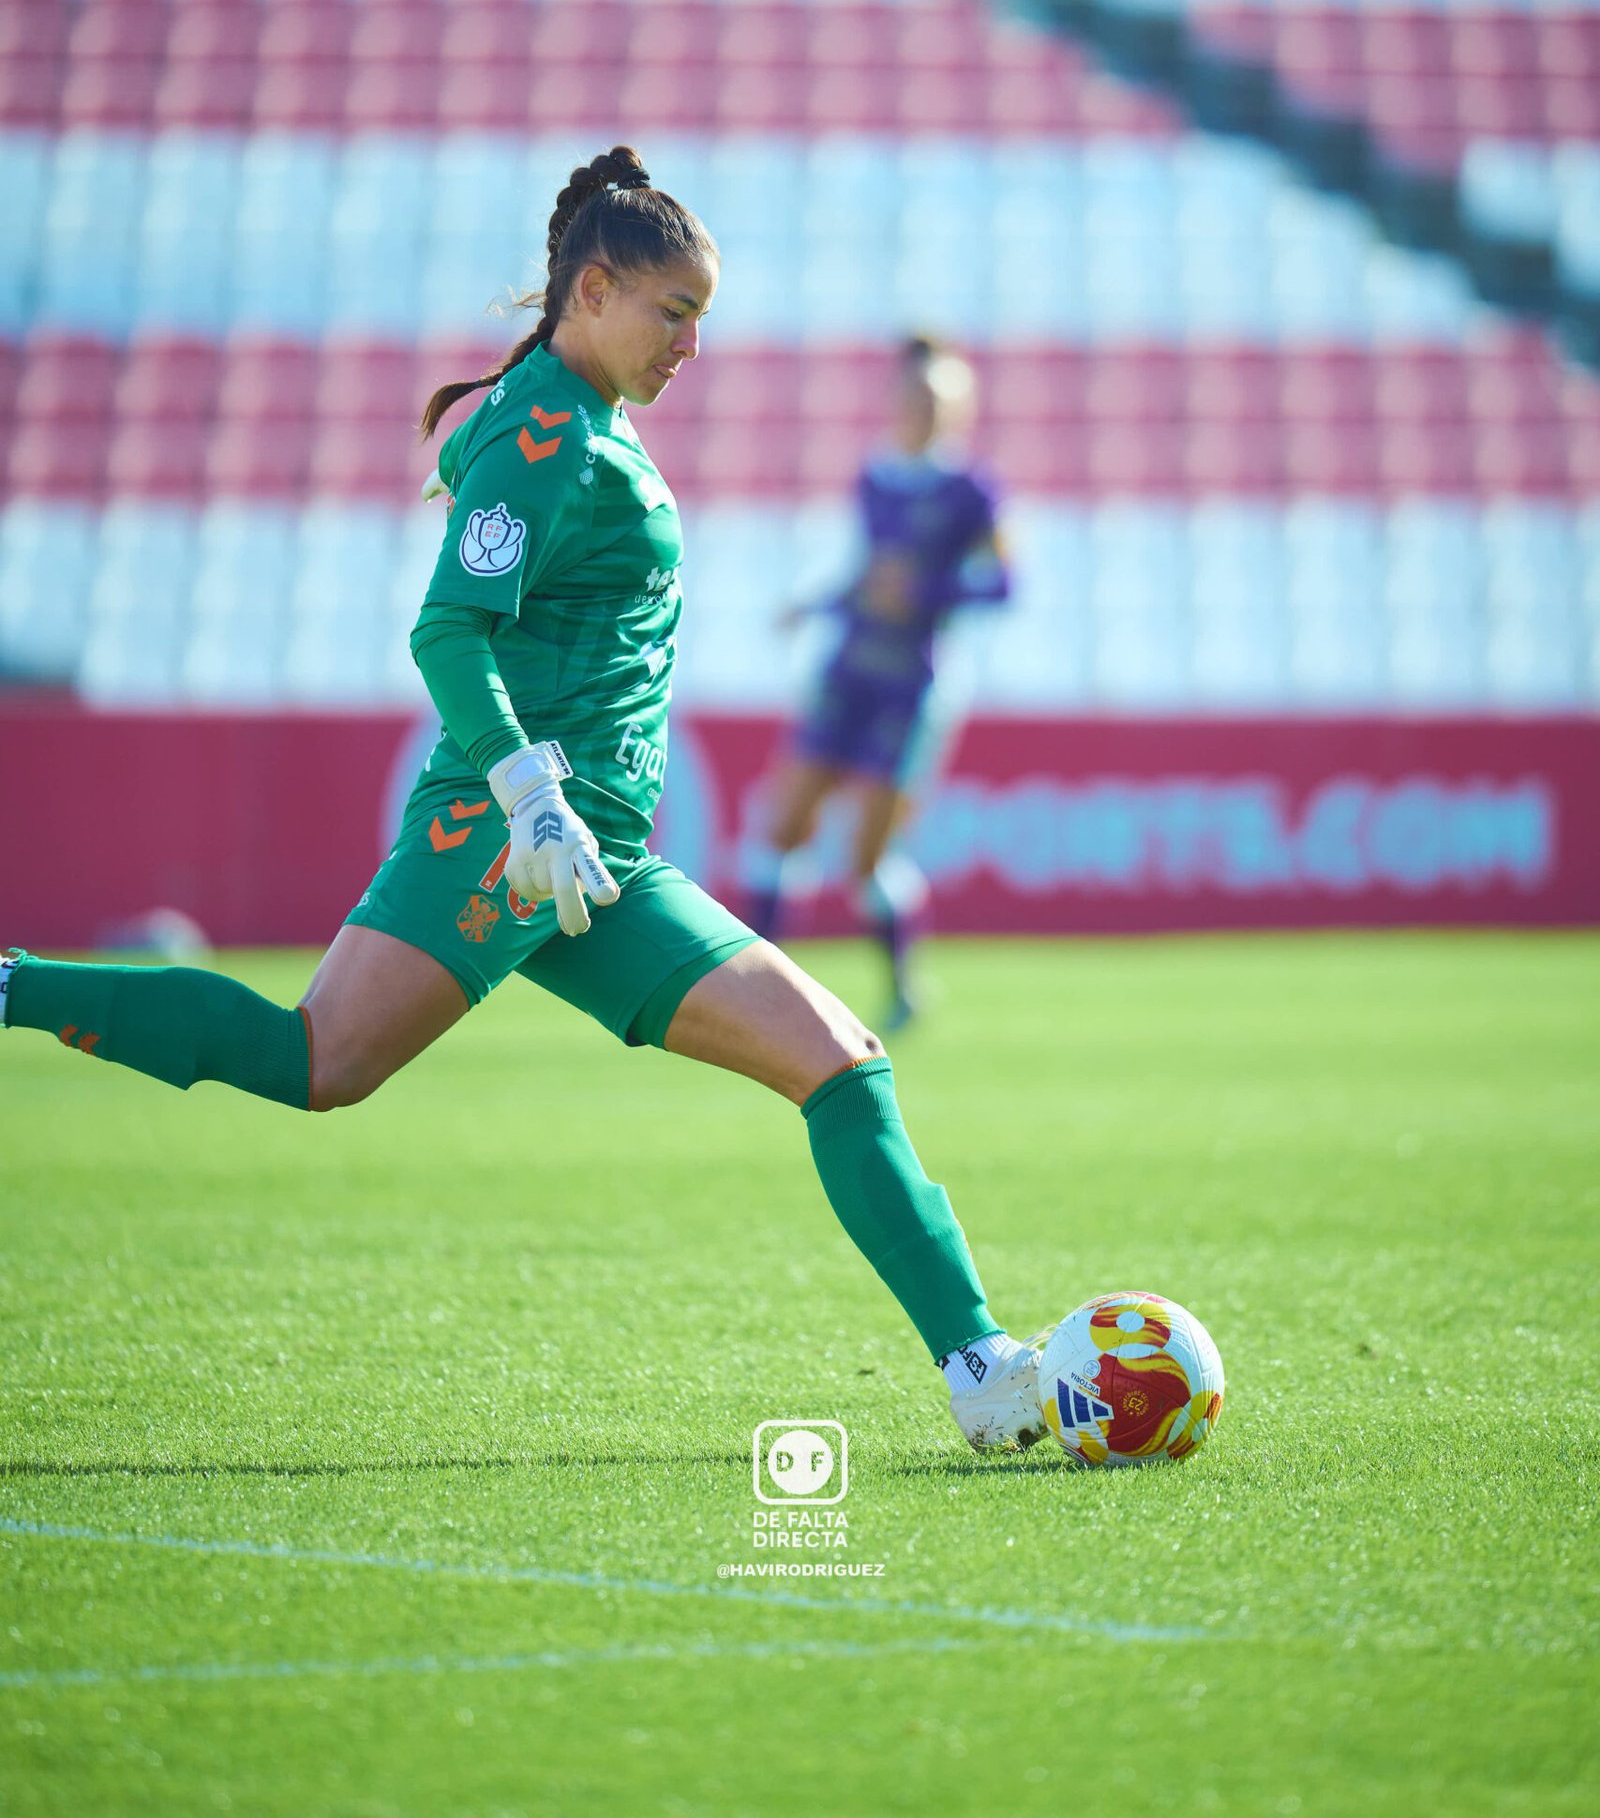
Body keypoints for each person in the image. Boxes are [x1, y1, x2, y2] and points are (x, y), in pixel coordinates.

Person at [1, 148, 1045, 1452]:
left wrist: (566, 820)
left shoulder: (592, 424)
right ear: (594, 290)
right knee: (316, 1063)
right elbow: (449, 628)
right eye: (675, 314)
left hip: (596, 864)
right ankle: (10, 987)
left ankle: (983, 1370)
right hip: (505, 844)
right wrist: (525, 797)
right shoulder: (543, 429)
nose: (691, 348)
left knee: (841, 1065)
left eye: (703, 321)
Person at [744, 336, 1009, 1030]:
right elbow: (868, 574)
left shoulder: (972, 491)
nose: (921, 408)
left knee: (865, 860)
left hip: (912, 683)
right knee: (785, 823)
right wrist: (817, 604)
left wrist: (925, 593)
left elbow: (1002, 584)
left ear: (959, 408)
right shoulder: (875, 480)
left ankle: (903, 986)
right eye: (912, 395)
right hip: (849, 665)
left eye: (935, 398)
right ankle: (755, 992)